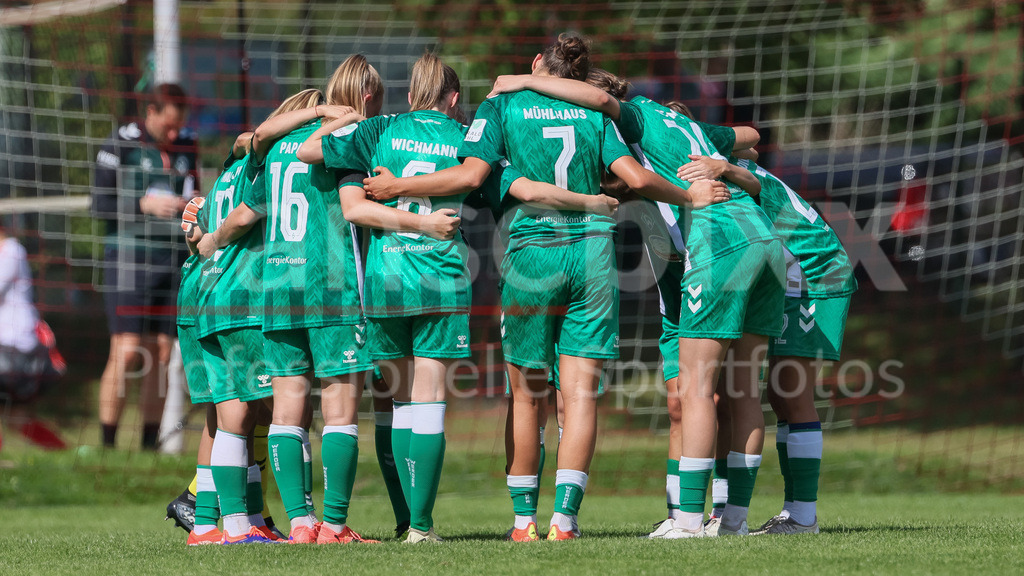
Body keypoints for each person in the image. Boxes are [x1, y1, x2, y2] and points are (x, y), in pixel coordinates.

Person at [361, 34, 728, 541]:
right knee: (580, 395)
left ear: (537, 63)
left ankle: (522, 522)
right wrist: (690, 194)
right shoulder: (594, 112)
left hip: (531, 251)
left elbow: (474, 173)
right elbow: (636, 179)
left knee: (526, 394)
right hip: (592, 253)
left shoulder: (502, 104)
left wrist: (398, 187)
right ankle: (565, 520)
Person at [486, 68, 784, 538]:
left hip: (718, 239)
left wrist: (523, 80)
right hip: (764, 238)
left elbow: (623, 150)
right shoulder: (680, 123)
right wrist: (727, 161)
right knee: (741, 392)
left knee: (696, 389)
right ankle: (733, 521)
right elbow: (749, 135)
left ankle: (687, 521)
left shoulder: (629, 118)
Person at [198, 56, 392, 545]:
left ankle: (301, 523)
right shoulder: (347, 137)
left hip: (277, 291)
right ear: (366, 97)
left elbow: (249, 209)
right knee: (340, 413)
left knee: (287, 410)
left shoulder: (277, 149)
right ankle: (335, 525)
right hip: (331, 286)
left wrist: (210, 238)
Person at [303, 53, 473, 544]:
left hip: (385, 279)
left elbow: (309, 153)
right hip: (439, 278)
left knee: (400, 404)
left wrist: (332, 115)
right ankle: (420, 526)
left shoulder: (380, 128)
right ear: (453, 98)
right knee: (430, 403)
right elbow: (484, 180)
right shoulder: (465, 137)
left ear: (412, 92)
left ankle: (409, 522)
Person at [92, 83, 198, 449]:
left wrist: (189, 204)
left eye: (178, 126)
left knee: (162, 354)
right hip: (129, 258)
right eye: (168, 126)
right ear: (150, 112)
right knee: (127, 349)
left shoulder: (187, 145)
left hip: (173, 259)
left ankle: (148, 447)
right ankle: (107, 445)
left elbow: (194, 190)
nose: (174, 134)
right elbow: (99, 205)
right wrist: (143, 205)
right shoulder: (120, 143)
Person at [0, 224, 67, 451]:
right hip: (11, 349)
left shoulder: (11, 250)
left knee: (15, 417)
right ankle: (63, 451)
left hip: (15, 349)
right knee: (15, 419)